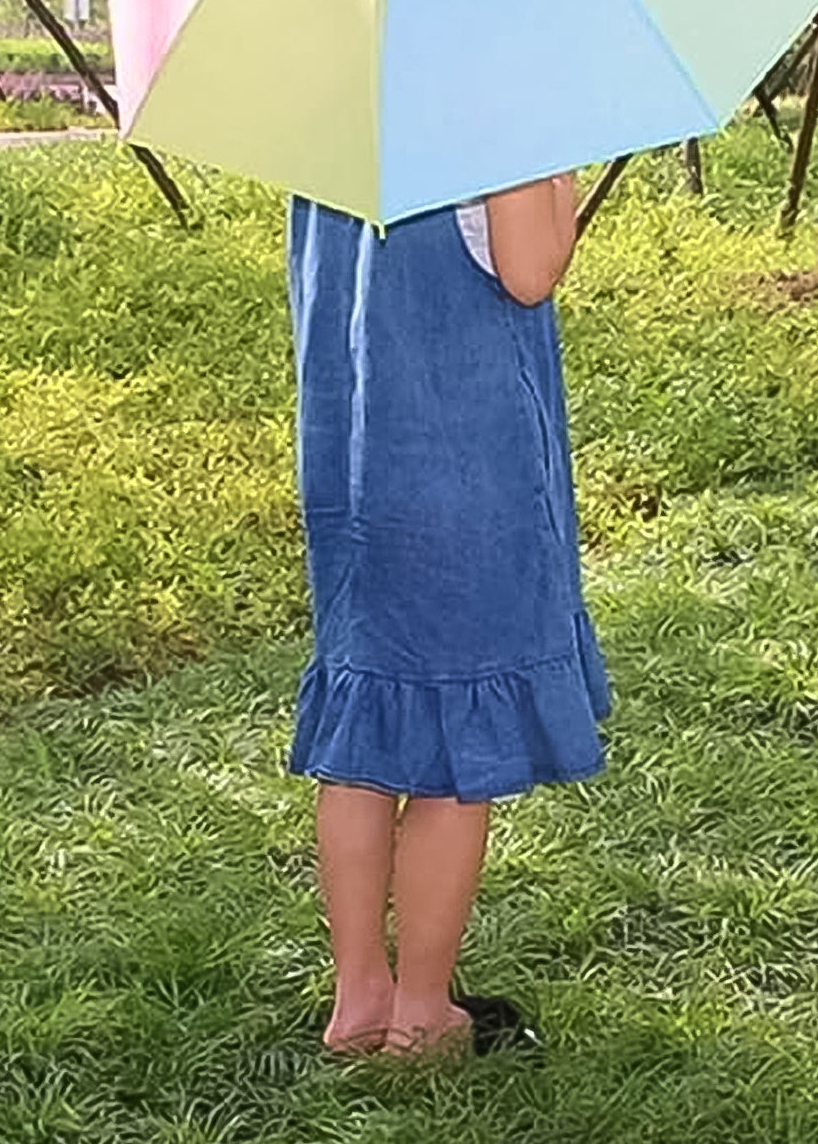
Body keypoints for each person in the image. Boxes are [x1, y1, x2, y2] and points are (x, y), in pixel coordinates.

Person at [286, 173, 610, 1058]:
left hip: (354, 455)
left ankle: (360, 1000)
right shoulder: (487, 108)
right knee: (455, 746)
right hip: (462, 463)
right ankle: (423, 1013)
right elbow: (531, 267)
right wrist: (557, 158)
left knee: (368, 724)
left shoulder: (335, 118)